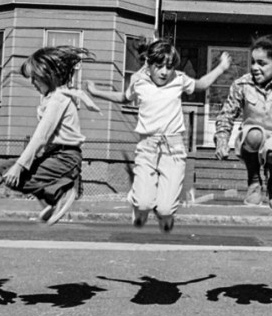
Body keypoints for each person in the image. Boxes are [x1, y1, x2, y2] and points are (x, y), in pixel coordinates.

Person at [86, 38, 231, 232]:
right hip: (147, 147)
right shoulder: (139, 81)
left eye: (169, 67)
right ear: (150, 64)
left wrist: (221, 67)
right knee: (144, 203)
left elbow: (201, 84)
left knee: (164, 209)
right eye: (159, 66)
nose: (164, 72)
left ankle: (164, 213)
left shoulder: (179, 79)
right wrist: (96, 92)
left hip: (173, 148)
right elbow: (123, 98)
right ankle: (140, 207)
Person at [2, 45, 98, 225]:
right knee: (5, 170)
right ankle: (51, 199)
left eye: (35, 79)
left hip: (65, 156)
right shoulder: (52, 96)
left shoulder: (57, 100)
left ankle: (62, 192)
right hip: (54, 154)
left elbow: (41, 136)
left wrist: (20, 165)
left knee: (13, 171)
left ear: (48, 76)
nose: (32, 83)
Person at [213, 34, 272, 212]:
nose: (255, 68)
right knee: (254, 135)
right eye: (253, 62)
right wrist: (221, 141)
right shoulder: (242, 85)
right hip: (251, 137)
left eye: (262, 63)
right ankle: (254, 179)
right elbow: (226, 115)